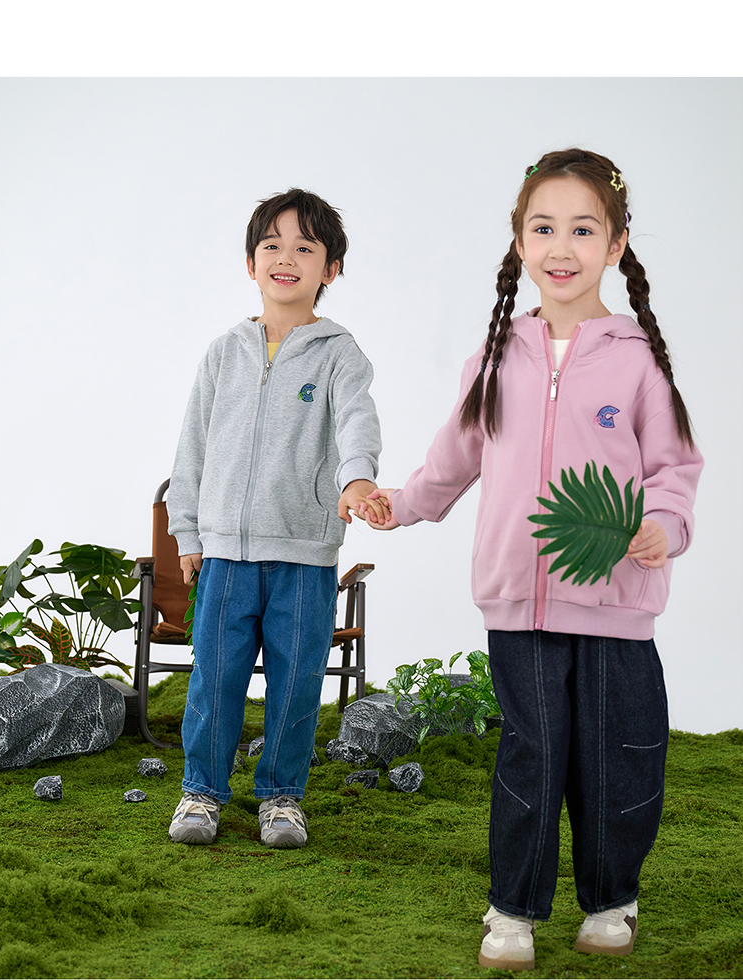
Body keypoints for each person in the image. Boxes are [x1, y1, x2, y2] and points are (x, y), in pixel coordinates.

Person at [365, 149, 703, 971]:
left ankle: (612, 901)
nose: (562, 246)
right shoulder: (495, 358)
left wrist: (664, 524)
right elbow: (454, 460)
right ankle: (512, 909)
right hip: (517, 598)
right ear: (520, 243)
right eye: (544, 228)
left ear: (616, 245)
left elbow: (674, 469)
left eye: (583, 230)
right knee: (531, 753)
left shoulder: (638, 359)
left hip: (619, 597)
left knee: (617, 757)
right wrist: (401, 504)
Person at [165, 187, 388, 850]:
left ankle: (282, 797)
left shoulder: (340, 354)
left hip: (304, 554)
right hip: (225, 555)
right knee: (215, 679)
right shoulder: (223, 352)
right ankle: (202, 790)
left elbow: (357, 422)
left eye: (304, 248)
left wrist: (357, 477)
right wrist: (187, 532)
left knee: (296, 684)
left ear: (331, 269)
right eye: (272, 245)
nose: (286, 258)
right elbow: (192, 448)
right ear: (250, 262)